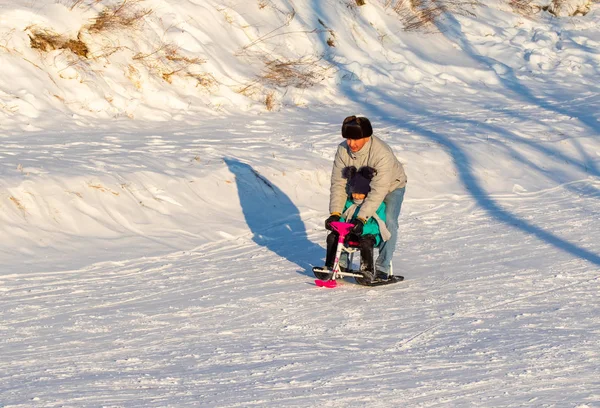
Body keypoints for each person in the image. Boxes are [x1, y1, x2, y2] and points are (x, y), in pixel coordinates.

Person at [325, 115, 407, 280]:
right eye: (348, 139)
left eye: (356, 139)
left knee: (388, 220)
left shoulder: (382, 153)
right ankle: (340, 264)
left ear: (367, 138)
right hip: (357, 185)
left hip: (390, 186)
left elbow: (378, 190)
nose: (351, 144)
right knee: (343, 218)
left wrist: (362, 218)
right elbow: (338, 185)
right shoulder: (342, 151)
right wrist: (335, 213)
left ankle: (382, 267)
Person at [324, 166, 389, 281]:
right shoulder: (349, 204)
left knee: (365, 241)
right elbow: (343, 218)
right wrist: (334, 224)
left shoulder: (378, 205)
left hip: (371, 235)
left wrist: (363, 229)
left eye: (360, 194)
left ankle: (366, 270)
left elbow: (378, 225)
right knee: (332, 237)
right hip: (351, 233)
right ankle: (331, 266)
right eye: (354, 193)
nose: (356, 197)